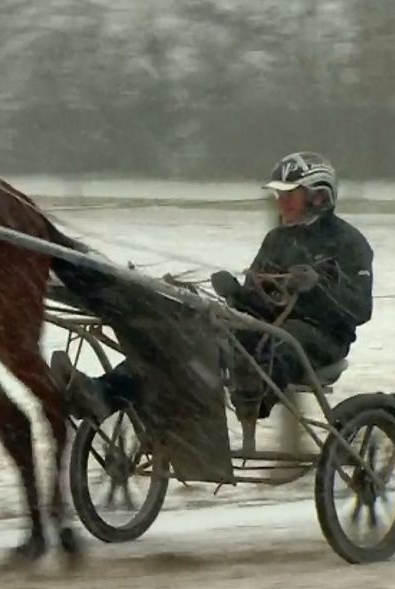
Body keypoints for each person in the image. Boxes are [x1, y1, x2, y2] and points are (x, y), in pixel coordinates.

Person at [51, 151, 375, 448]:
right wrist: (234, 292)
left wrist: (316, 289)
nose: (281, 203)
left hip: (322, 338)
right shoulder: (277, 239)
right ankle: (102, 394)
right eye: (279, 195)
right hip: (268, 330)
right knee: (179, 341)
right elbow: (255, 302)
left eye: (290, 195)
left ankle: (251, 397)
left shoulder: (349, 243)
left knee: (274, 345)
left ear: (318, 196)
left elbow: (359, 310)